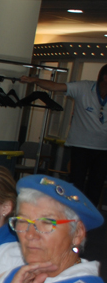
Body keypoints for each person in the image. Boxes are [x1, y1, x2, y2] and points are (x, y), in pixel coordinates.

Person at [21, 66, 107, 205]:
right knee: (76, 183)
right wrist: (35, 80)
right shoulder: (83, 87)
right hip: (81, 145)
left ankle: (90, 214)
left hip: (103, 148)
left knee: (96, 187)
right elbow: (55, 86)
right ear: (104, 78)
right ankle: (72, 210)